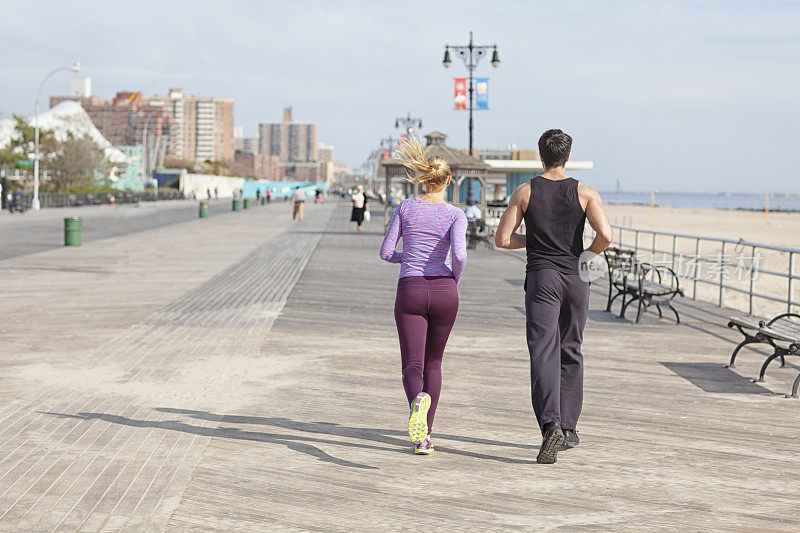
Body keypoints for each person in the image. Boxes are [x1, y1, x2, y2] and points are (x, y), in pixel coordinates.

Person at [495, 129, 612, 464]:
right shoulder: (586, 192)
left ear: (540, 155)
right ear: (568, 157)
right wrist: (586, 255)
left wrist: (535, 241)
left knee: (543, 349)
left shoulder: (525, 191)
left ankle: (551, 426)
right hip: (576, 276)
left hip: (542, 277)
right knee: (571, 347)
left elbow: (502, 239)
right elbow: (605, 235)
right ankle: (570, 429)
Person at [379, 136, 468, 455]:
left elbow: (386, 252)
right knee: (434, 362)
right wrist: (452, 278)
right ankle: (426, 432)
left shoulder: (405, 207)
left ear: (423, 179)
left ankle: (420, 427)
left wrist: (410, 258)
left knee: (412, 365)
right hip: (445, 290)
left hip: (411, 290)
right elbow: (459, 255)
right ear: (447, 181)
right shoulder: (456, 214)